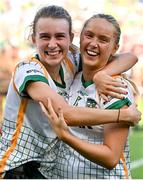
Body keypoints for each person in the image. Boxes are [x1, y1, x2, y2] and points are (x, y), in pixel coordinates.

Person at [0, 5, 140, 179]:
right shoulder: (28, 69)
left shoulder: (72, 61)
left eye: (59, 36)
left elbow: (129, 57)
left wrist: (103, 74)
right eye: (45, 36)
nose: (52, 44)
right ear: (33, 38)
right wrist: (122, 115)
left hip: (46, 170)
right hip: (19, 169)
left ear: (71, 39)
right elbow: (65, 114)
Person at [39, 14, 142, 179]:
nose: (93, 43)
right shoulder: (73, 76)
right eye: (89, 35)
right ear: (80, 38)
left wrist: (65, 136)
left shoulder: (115, 89)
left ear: (115, 48)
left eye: (103, 39)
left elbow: (110, 158)